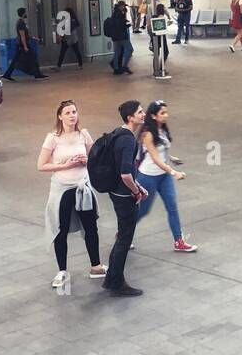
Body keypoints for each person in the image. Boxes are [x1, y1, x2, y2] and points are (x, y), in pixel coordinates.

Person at [38, 100, 104, 289]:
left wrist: (87, 160)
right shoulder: (52, 138)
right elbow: (41, 165)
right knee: (61, 229)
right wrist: (65, 165)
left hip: (82, 187)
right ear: (60, 116)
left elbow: (96, 159)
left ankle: (96, 266)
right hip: (62, 189)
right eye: (67, 113)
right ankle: (62, 270)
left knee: (91, 227)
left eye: (74, 111)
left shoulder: (83, 134)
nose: (72, 115)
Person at [135, 100, 197, 253]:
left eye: (166, 112)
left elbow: (162, 153)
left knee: (172, 207)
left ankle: (179, 241)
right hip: (148, 177)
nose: (166, 116)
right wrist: (173, 172)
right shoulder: (147, 134)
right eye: (162, 113)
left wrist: (171, 159)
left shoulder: (162, 130)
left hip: (164, 176)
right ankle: (123, 233)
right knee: (143, 210)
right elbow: (155, 158)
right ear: (153, 116)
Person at [103, 99, 147, 297]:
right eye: (139, 112)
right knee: (124, 238)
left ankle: (112, 277)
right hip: (124, 194)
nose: (143, 114)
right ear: (130, 118)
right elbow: (126, 174)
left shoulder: (117, 133)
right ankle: (117, 282)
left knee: (122, 235)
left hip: (114, 191)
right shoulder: (128, 140)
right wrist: (137, 191)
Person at [2, 7, 47, 81]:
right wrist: (25, 46)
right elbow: (22, 36)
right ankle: (37, 75)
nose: (27, 14)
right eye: (25, 12)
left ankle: (7, 74)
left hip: (20, 44)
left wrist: (33, 37)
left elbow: (25, 35)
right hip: (22, 44)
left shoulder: (21, 22)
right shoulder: (21, 23)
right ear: (23, 14)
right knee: (33, 58)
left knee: (15, 60)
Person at [106, 1, 132, 75]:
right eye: (124, 6)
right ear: (121, 6)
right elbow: (121, 25)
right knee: (130, 50)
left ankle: (116, 68)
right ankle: (124, 66)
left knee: (117, 52)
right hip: (122, 36)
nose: (124, 8)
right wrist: (127, 25)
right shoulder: (120, 14)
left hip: (115, 37)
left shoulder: (114, 14)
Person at [150, 3, 171, 78]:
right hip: (161, 37)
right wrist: (168, 17)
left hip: (155, 37)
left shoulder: (153, 17)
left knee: (156, 53)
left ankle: (156, 70)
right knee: (165, 52)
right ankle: (161, 68)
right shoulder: (162, 17)